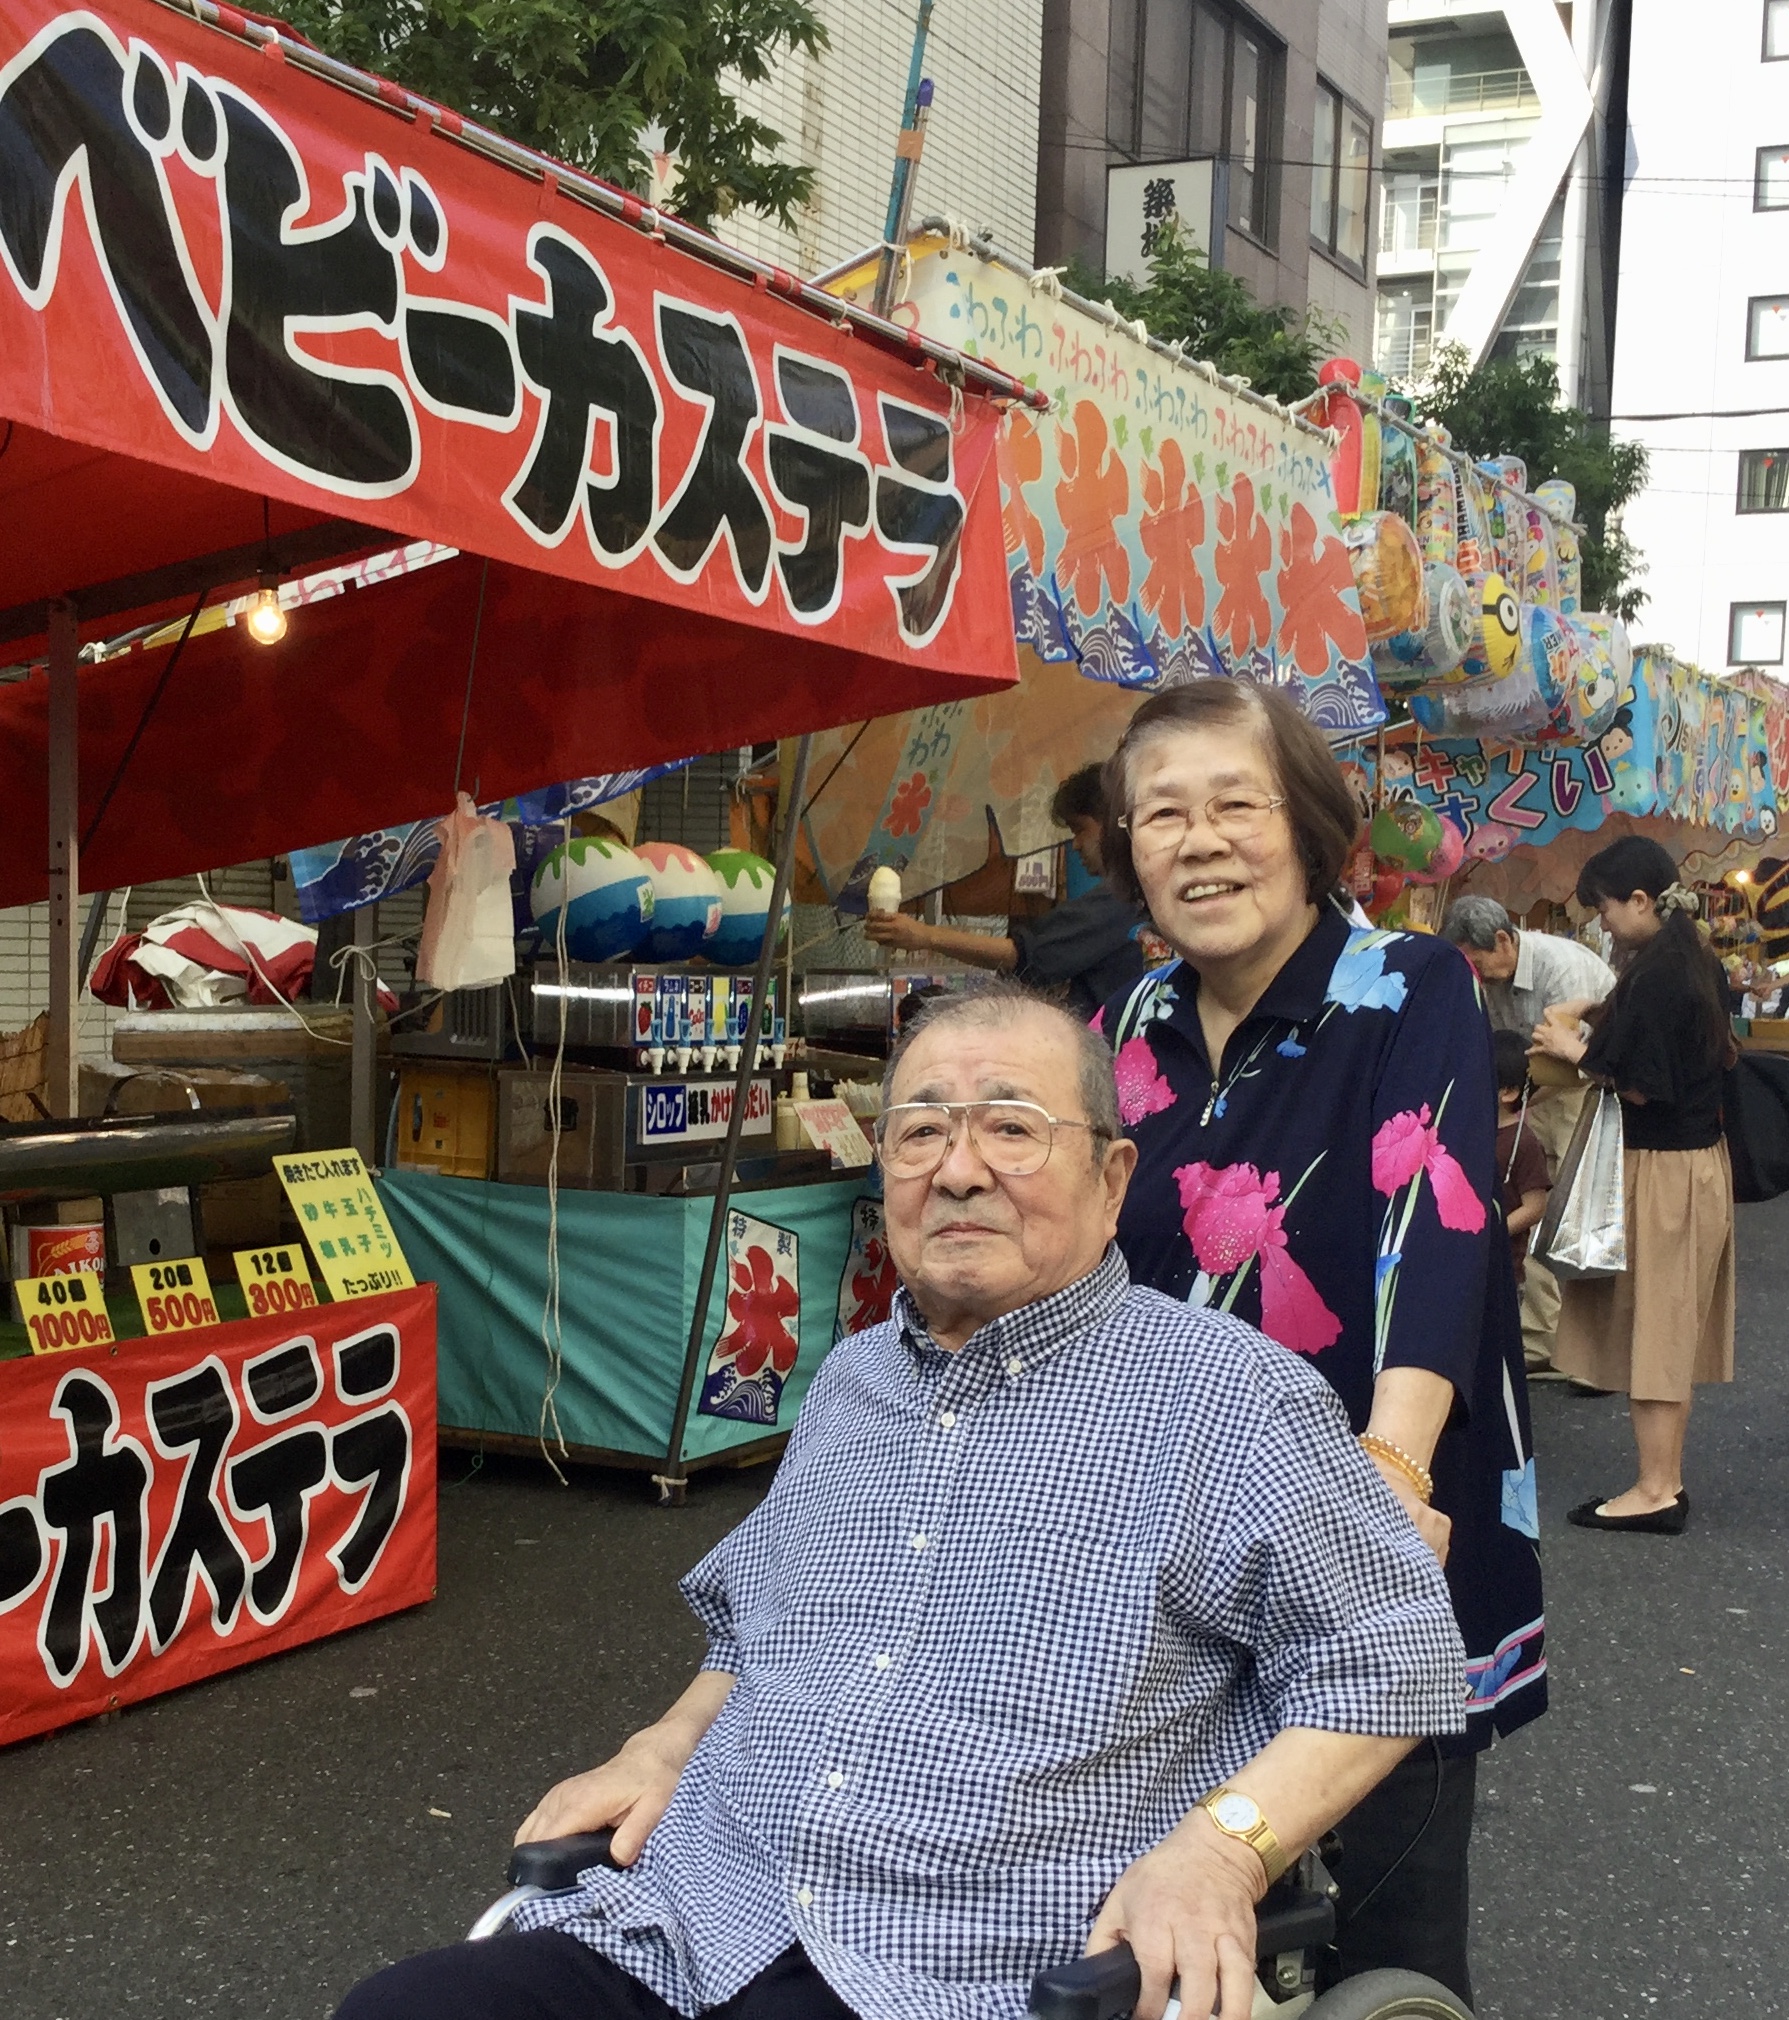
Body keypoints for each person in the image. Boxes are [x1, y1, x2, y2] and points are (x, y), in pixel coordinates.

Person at [336, 984, 1466, 2020]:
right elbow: (756, 1623)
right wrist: (662, 1746)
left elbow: (1389, 1658)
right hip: (694, 1915)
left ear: (1112, 1178)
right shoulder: (850, 1378)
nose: (959, 1169)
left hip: (976, 1962)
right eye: (921, 1130)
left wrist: (1225, 1849)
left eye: (1011, 1128)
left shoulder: (1233, 1396)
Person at [1093, 680, 1545, 2010]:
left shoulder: (1408, 985)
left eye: (1237, 803)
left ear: (1308, 827)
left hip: (1379, 1491)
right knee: (1189, 1880)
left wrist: (1393, 1470)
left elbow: (1432, 1222)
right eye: (1162, 813)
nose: (1201, 840)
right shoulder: (1129, 1023)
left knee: (1383, 1913)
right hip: (1183, 1521)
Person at [1528, 835, 1736, 1536]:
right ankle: (1661, 1481)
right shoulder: (1689, 960)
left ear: (1641, 901)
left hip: (1662, 1172)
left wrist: (1574, 1050)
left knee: (1655, 1328)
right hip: (1691, 1165)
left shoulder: (1659, 975)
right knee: (1664, 1326)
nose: (1603, 924)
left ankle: (1656, 1489)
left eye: (1607, 909)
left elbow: (1643, 1084)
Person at [1441, 893, 1616, 1376]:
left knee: (1572, 1212)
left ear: (1502, 940)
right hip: (1526, 1093)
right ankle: (1542, 1337)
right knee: (1533, 1200)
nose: (1474, 973)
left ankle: (1588, 1348)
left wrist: (1510, 1100)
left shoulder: (1562, 968)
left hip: (1579, 1088)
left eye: (1476, 961)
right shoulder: (1488, 977)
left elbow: (1575, 1061)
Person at [862, 764, 1159, 1018]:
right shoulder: (1139, 894)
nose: (1077, 845)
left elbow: (1024, 955)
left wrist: (924, 936)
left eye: (1080, 829)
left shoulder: (1121, 898)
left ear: (1112, 822)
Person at [1492, 1030, 1551, 1283]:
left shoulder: (1523, 1142)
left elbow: (1535, 1207)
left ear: (1508, 1092)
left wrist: (1492, 1232)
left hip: (1504, 1271)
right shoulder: (1468, 1133)